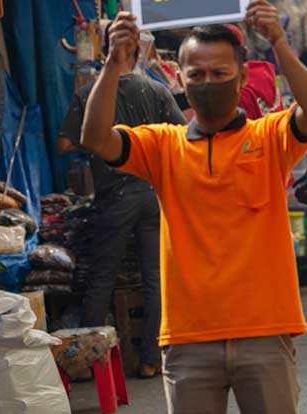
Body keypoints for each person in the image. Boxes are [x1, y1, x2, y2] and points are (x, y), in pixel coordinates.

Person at [80, 0, 307, 414]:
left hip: (264, 331)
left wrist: (280, 43)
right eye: (196, 74)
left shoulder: (269, 138)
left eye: (219, 73)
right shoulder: (162, 144)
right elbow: (95, 137)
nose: (207, 82)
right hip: (188, 337)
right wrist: (112, 63)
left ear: (242, 77)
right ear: (180, 77)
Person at [57, 26, 187, 379]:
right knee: (154, 277)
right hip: (152, 193)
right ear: (138, 54)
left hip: (115, 195)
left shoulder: (89, 93)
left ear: (109, 52)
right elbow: (183, 136)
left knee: (102, 276)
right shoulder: (158, 89)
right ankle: (150, 360)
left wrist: (101, 143)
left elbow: (65, 145)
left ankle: (86, 364)